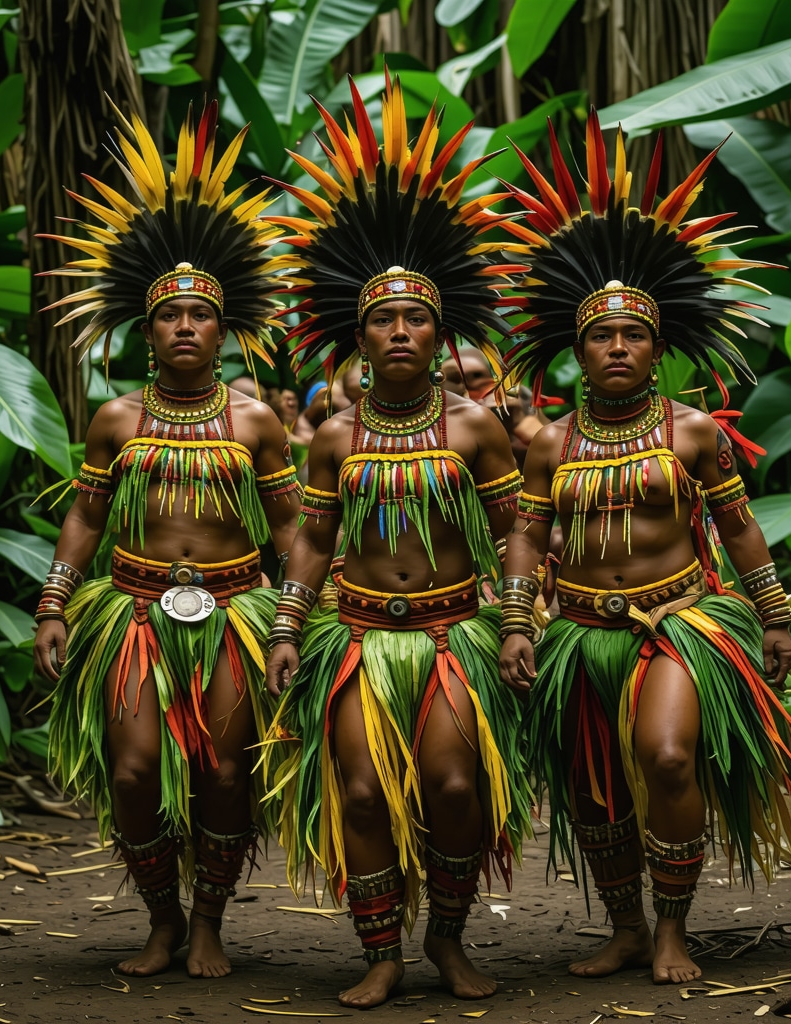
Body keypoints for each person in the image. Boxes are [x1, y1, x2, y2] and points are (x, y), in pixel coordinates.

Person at [497, 113, 791, 985]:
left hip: (674, 622)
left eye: (633, 335)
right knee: (594, 788)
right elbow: (527, 534)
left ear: (657, 346)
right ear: (577, 349)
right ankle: (628, 928)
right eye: (601, 336)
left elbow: (739, 526)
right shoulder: (550, 443)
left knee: (668, 756)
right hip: (577, 630)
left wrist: (774, 617)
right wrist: (519, 623)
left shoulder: (692, 431)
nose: (617, 348)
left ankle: (674, 928)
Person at [262, 75, 532, 1009]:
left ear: (438, 329)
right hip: (363, 637)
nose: (403, 330)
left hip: (457, 635)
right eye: (385, 318)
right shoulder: (336, 437)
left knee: (457, 790)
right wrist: (290, 626)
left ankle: (447, 940)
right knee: (365, 793)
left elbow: (515, 531)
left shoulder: (475, 429)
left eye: (417, 317)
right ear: (361, 338)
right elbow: (310, 539)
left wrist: (517, 622)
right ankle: (380, 950)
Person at [31, 104, 300, 978]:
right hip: (135, 611)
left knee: (226, 771)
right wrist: (54, 602)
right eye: (170, 315)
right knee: (135, 772)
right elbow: (85, 517)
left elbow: (299, 526)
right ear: (147, 332)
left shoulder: (256, 421)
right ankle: (160, 918)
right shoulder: (117, 419)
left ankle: (212, 921)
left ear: (225, 330)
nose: (186, 326)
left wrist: (301, 620)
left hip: (235, 609)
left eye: (200, 314)